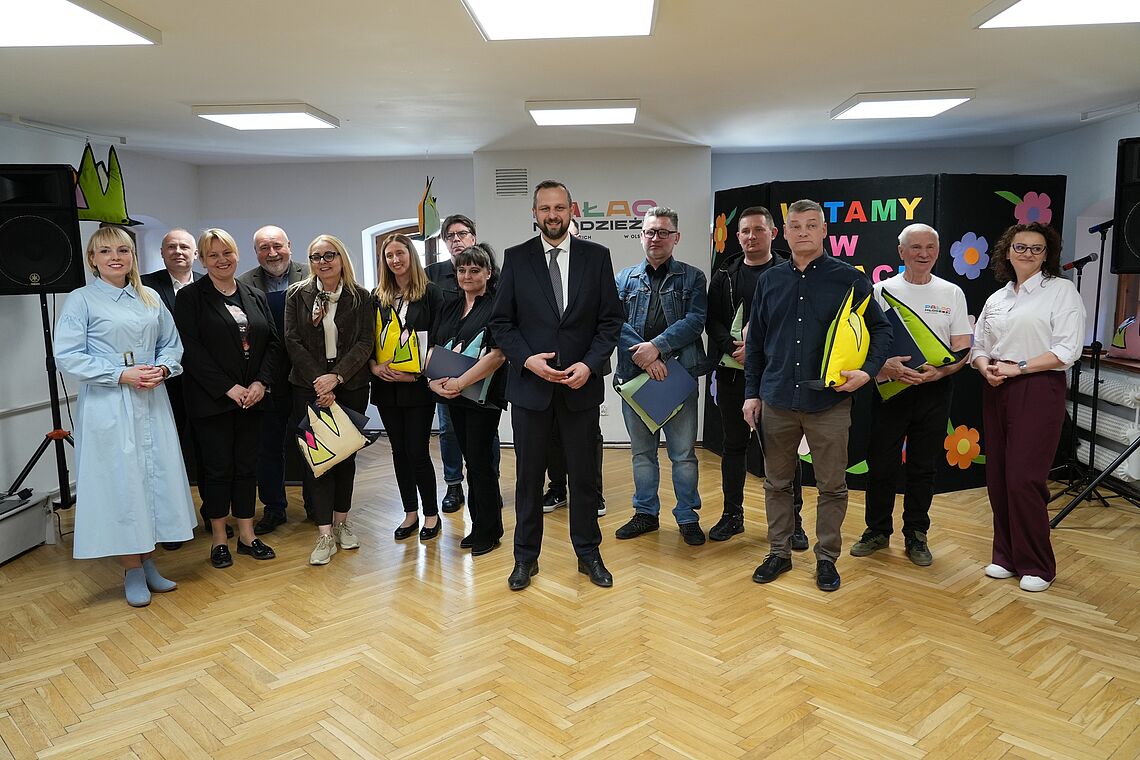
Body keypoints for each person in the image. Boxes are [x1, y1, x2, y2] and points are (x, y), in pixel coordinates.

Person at [743, 199, 891, 592]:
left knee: (832, 486)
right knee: (776, 483)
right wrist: (751, 394)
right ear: (784, 233)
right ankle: (779, 552)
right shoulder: (769, 281)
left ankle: (826, 559)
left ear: (825, 230)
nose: (803, 232)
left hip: (829, 402)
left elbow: (882, 330)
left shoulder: (850, 280)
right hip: (776, 399)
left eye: (812, 225)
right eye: (796, 225)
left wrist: (867, 371)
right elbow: (755, 344)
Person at [489, 180, 623, 590]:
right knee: (528, 481)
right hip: (531, 390)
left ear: (571, 210)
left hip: (580, 388)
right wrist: (527, 359)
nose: (552, 215)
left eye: (559, 207)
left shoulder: (596, 257)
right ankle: (525, 559)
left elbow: (610, 321)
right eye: (545, 208)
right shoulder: (516, 258)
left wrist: (590, 364)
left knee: (584, 478)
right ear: (534, 213)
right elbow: (501, 323)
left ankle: (589, 554)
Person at [54, 226, 196, 606]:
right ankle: (132, 569)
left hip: (151, 396)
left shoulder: (149, 297)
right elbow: (67, 355)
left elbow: (171, 343)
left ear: (132, 256)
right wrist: (120, 374)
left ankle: (148, 562)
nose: (115, 257)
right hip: (109, 402)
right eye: (105, 251)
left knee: (153, 478)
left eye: (122, 250)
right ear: (92, 259)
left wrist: (163, 368)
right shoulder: (81, 300)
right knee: (122, 483)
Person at [971, 222, 1085, 593]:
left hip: (1038, 386)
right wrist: (985, 367)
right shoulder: (997, 297)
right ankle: (1006, 556)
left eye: (1037, 248)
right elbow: (979, 345)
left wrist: (1017, 367)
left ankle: (1038, 564)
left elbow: (1067, 350)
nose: (1028, 254)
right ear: (1007, 252)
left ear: (1047, 254)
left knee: (1024, 479)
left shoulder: (1061, 291)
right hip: (996, 386)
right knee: (999, 477)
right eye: (1020, 247)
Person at [851, 224, 972, 566]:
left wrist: (941, 372)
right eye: (915, 247)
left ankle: (916, 534)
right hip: (890, 390)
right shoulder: (880, 291)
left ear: (938, 251)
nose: (923, 253)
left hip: (935, 391)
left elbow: (963, 347)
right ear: (901, 251)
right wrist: (883, 366)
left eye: (930, 247)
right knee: (881, 464)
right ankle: (876, 531)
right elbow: (861, 342)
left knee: (923, 466)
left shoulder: (952, 293)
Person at [175, 228, 280, 568]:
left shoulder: (254, 294)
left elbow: (273, 343)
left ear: (237, 255)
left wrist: (262, 382)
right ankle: (220, 538)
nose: (222, 260)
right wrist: (228, 388)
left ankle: (247, 535)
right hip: (213, 401)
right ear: (202, 260)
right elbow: (190, 349)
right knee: (218, 470)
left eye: (227, 253)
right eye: (213, 255)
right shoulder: (191, 297)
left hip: (253, 399)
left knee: (247, 468)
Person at [705, 206, 808, 545]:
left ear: (773, 233)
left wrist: (757, 350)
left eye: (759, 230)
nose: (752, 236)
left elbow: (797, 323)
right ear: (737, 237)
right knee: (733, 446)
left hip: (778, 378)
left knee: (784, 452)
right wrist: (731, 347)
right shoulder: (725, 274)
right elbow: (712, 320)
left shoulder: (791, 272)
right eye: (746, 231)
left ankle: (793, 523)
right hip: (733, 375)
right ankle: (732, 516)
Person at [613, 206, 708, 545]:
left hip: (678, 377)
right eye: (650, 232)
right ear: (641, 236)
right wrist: (646, 359)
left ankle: (687, 516)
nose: (656, 238)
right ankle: (645, 514)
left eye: (663, 232)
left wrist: (657, 348)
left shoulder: (693, 277)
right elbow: (613, 322)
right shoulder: (623, 279)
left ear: (676, 238)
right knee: (642, 454)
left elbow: (695, 321)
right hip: (634, 378)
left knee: (683, 455)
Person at [283, 235, 375, 565]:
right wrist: (320, 381)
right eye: (315, 256)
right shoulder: (297, 294)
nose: (322, 262)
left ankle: (342, 524)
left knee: (346, 456)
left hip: (350, 385)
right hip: (308, 386)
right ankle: (324, 534)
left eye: (329, 255)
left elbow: (365, 342)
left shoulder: (361, 296)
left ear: (341, 257)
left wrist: (336, 377)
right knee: (318, 458)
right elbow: (292, 340)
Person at [428, 243, 508, 555]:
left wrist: (461, 382)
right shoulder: (450, 305)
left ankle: (490, 530)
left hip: (482, 397)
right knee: (469, 460)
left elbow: (497, 356)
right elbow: (435, 347)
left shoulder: (497, 305)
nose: (467, 276)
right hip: (453, 395)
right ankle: (479, 525)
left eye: (474, 270)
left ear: (488, 273)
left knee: (480, 462)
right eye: (461, 270)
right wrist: (434, 383)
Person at [239, 225, 313, 535]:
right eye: (264, 248)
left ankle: (316, 504)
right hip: (267, 376)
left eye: (277, 246)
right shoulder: (243, 283)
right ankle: (274, 508)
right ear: (256, 252)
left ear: (289, 245)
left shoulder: (312, 273)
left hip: (307, 375)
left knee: (312, 440)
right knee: (268, 446)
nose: (272, 253)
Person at [371, 233, 444, 541]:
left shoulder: (431, 293)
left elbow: (439, 340)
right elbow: (366, 339)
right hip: (386, 385)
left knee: (417, 451)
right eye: (389, 255)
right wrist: (374, 367)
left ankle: (431, 514)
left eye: (400, 253)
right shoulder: (377, 296)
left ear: (411, 255)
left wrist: (415, 376)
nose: (395, 260)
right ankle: (410, 513)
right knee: (399, 452)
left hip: (417, 387)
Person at [140, 228, 207, 550]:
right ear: (162, 253)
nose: (178, 251)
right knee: (167, 454)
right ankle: (169, 525)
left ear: (195, 254)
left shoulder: (209, 285)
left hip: (206, 382)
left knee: (207, 452)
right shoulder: (144, 286)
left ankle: (212, 514)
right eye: (171, 247)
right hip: (164, 383)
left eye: (184, 246)